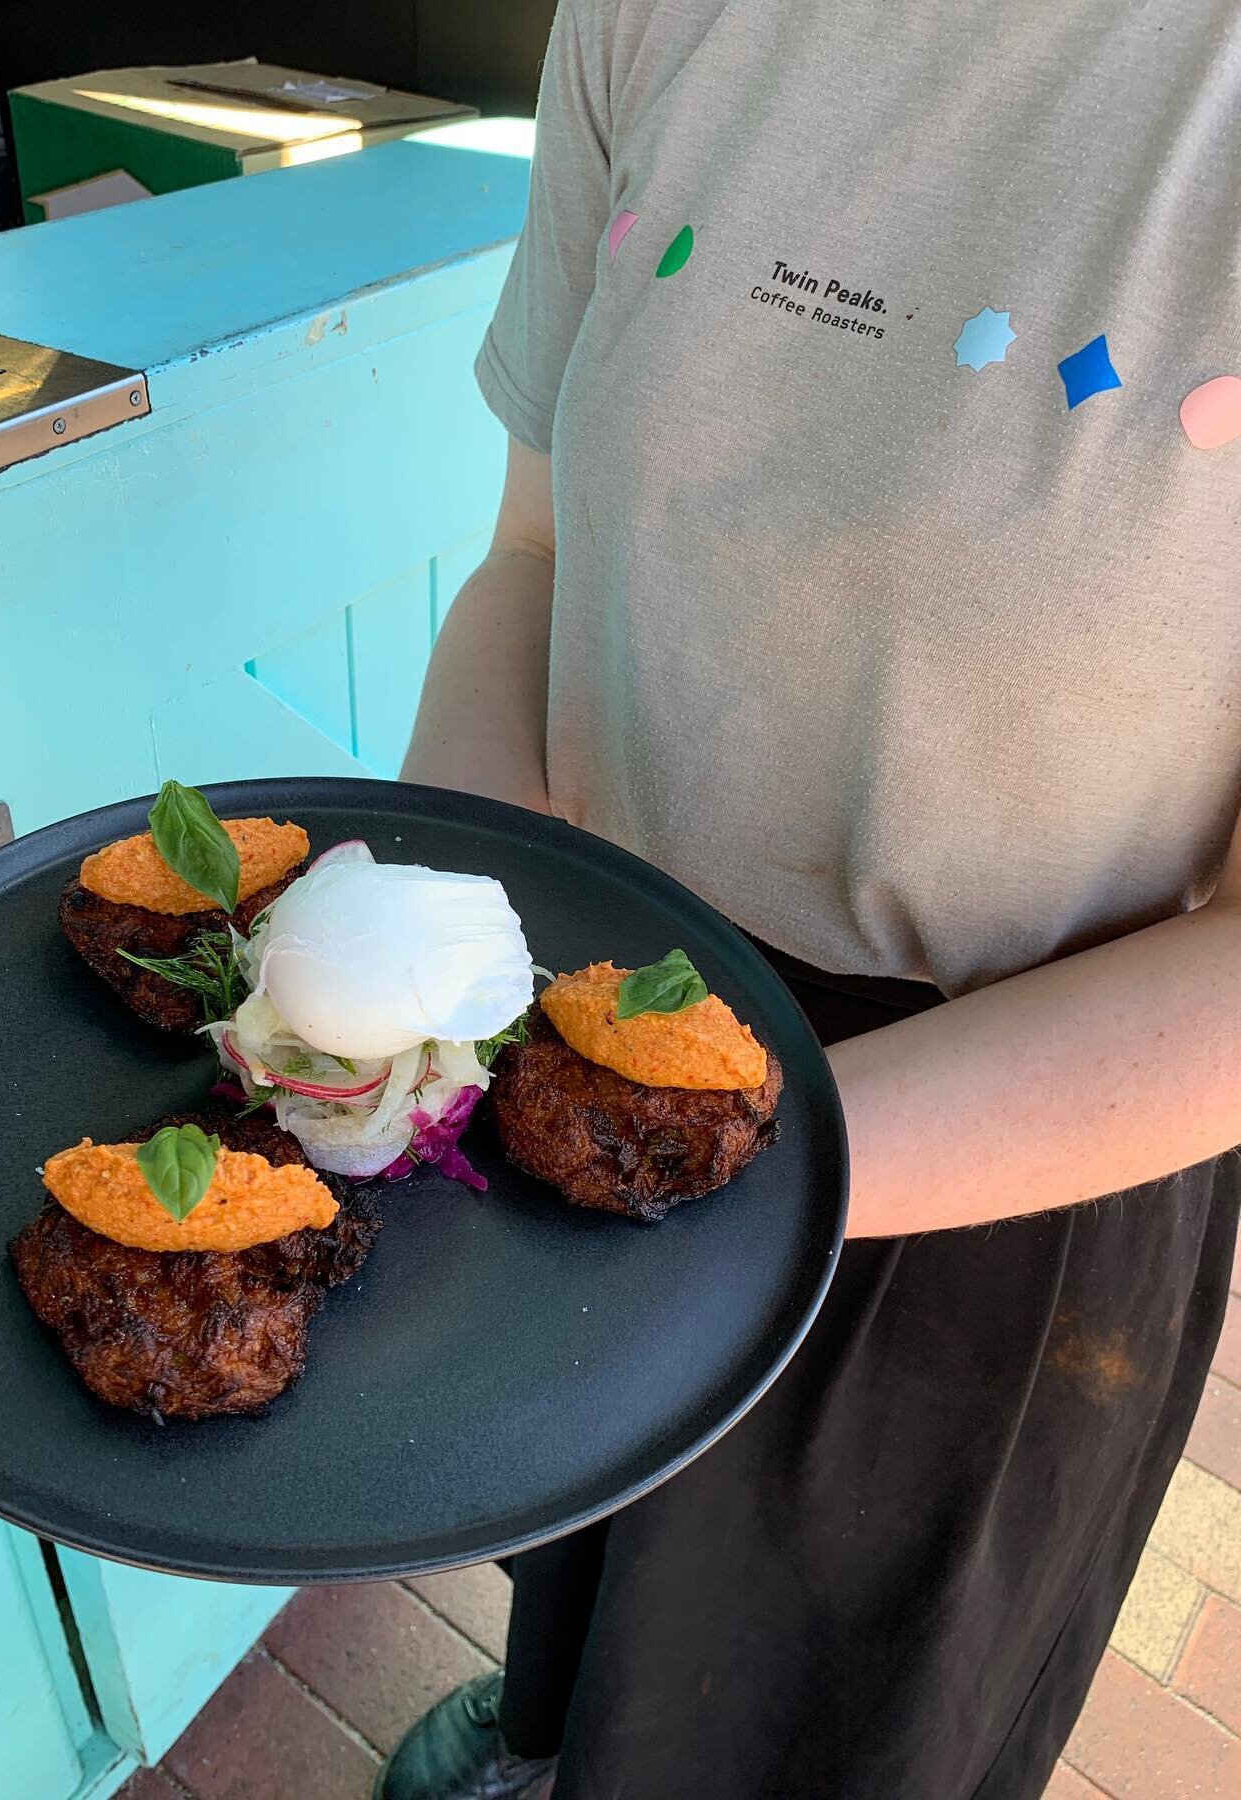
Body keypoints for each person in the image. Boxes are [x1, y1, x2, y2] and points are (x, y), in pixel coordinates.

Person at [378, 2, 1241, 1795]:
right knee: (582, 1567)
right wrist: (436, 974)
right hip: (591, 1021)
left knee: (807, 1726)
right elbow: (529, 560)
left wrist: (741, 1169)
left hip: (993, 1168)